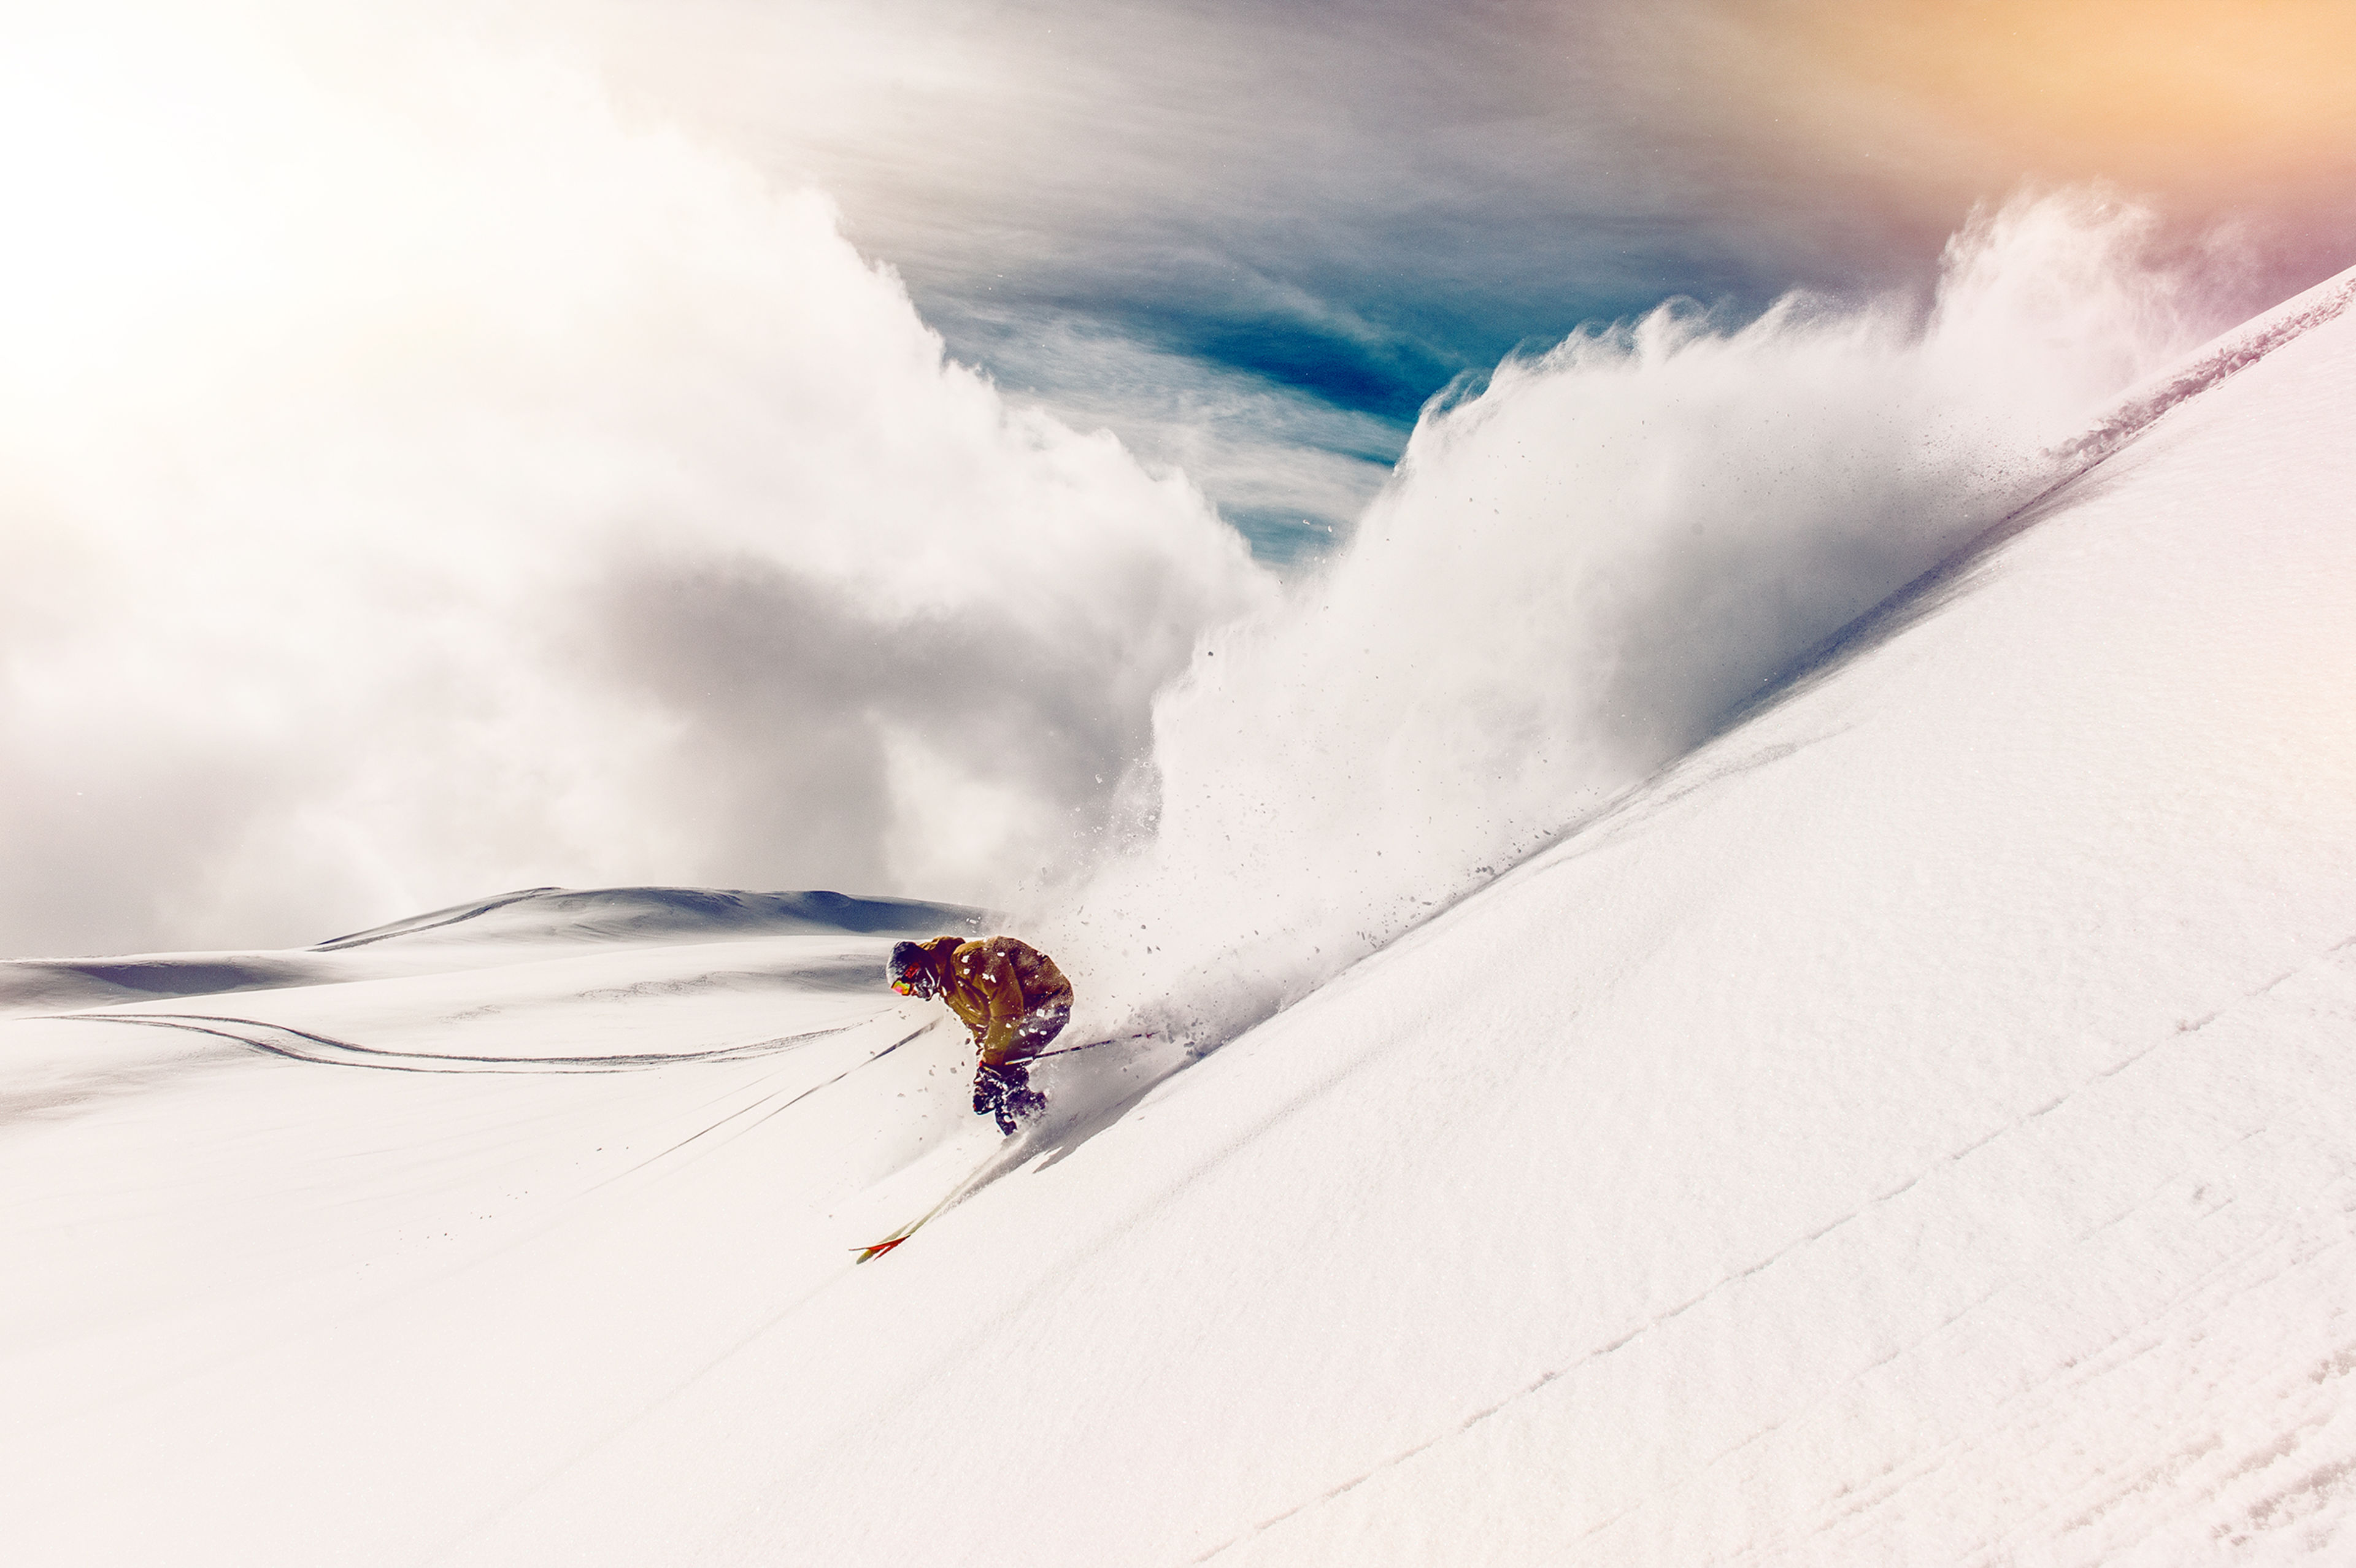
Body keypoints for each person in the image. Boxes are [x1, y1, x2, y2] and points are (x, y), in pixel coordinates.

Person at [888, 934, 1074, 1134]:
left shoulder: (970, 958)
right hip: (1025, 1015)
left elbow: (1008, 1013)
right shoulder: (949, 988)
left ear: (917, 969)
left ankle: (1044, 1122)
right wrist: (982, 1078)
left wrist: (991, 1067)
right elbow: (983, 1031)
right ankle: (1025, 1123)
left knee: (1003, 1074)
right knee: (998, 1082)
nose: (911, 992)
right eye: (902, 991)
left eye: (906, 986)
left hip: (1049, 1002)